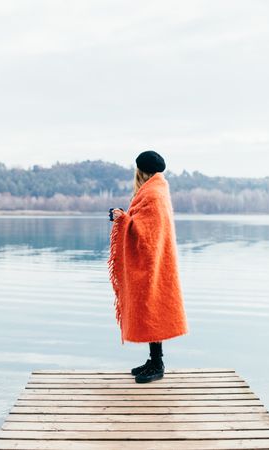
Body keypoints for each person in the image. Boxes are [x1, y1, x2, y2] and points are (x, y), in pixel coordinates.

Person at [107, 150, 189, 383]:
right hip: (156, 259)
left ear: (140, 171)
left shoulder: (152, 193)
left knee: (151, 306)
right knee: (150, 306)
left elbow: (144, 229)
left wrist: (121, 219)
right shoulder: (157, 189)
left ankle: (158, 363)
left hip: (153, 261)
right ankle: (154, 360)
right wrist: (124, 218)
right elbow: (144, 224)